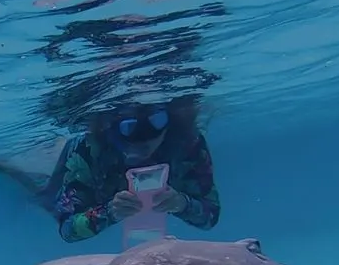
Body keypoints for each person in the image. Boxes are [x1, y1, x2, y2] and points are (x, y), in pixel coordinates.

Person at [48, 99, 221, 243]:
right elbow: (67, 229)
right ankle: (49, 153)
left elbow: (211, 215)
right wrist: (108, 212)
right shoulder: (88, 150)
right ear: (111, 128)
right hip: (80, 171)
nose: (146, 148)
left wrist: (182, 204)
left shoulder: (187, 143)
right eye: (134, 144)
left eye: (155, 128)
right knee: (47, 197)